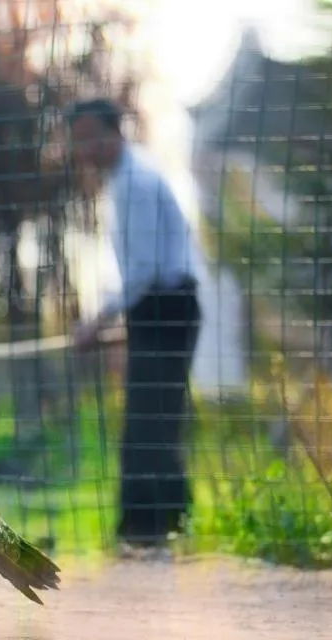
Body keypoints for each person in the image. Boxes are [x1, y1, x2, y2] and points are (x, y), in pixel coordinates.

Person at [66, 98, 203, 548]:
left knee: (147, 425)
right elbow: (133, 271)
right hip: (157, 308)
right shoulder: (123, 181)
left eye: (90, 137)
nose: (84, 148)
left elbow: (143, 271)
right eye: (78, 140)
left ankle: (145, 535)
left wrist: (95, 322)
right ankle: (170, 526)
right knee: (155, 421)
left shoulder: (136, 183)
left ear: (114, 132)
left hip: (166, 307)